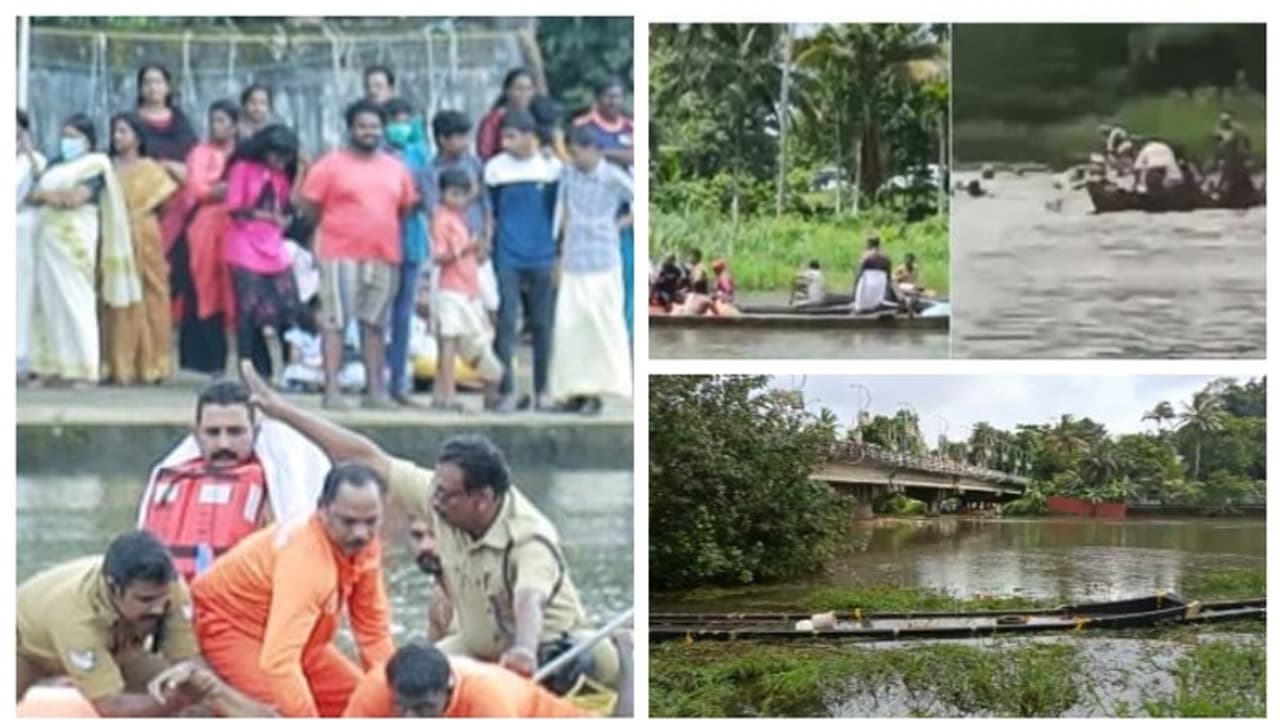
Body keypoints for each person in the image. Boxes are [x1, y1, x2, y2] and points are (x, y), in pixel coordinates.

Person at [232, 366, 624, 690]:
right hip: (477, 649)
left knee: (560, 665)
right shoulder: (444, 500)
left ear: (482, 499)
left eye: (446, 495)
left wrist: (523, 650)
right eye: (434, 490)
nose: (433, 502)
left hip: (558, 654)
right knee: (403, 680)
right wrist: (283, 410)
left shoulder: (530, 536)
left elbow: (529, 600)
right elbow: (367, 456)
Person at [190, 462, 395, 717]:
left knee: (371, 705)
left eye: (371, 522)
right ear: (322, 510)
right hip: (235, 628)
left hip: (302, 641)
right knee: (276, 713)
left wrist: (394, 696)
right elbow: (279, 662)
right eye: (349, 522)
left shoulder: (366, 547)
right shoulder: (308, 561)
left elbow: (373, 632)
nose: (361, 534)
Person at [138, 380, 328, 581]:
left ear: (254, 431)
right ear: (196, 433)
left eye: (235, 432)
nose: (224, 443)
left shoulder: (278, 486)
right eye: (213, 432)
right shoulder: (169, 479)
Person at [300, 99, 418, 409]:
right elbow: (310, 206)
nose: (370, 132)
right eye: (363, 126)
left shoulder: (397, 168)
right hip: (339, 252)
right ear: (351, 129)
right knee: (335, 321)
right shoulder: (329, 165)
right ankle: (332, 390)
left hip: (384, 253)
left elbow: (406, 208)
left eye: (375, 127)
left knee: (375, 324)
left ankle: (375, 391)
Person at [16, 531, 202, 716]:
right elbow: (112, 707)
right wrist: (176, 700)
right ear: (113, 587)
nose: (158, 609)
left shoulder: (173, 589)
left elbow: (188, 662)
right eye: (146, 600)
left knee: (196, 697)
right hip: (25, 646)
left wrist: (192, 692)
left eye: (164, 599)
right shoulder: (77, 620)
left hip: (119, 647)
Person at [27, 114, 133, 387]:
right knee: (47, 303)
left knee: (76, 301)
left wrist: (50, 198)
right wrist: (52, 197)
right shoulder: (56, 164)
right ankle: (49, 366)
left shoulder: (95, 166)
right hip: (47, 240)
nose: (68, 142)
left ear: (88, 141)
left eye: (74, 137)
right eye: (65, 136)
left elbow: (75, 198)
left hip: (74, 241)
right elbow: (33, 194)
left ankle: (85, 368)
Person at [548, 128, 633, 414]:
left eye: (581, 150)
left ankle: (596, 392)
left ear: (596, 150)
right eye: (573, 150)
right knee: (569, 327)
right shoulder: (568, 174)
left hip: (603, 260)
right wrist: (558, 252)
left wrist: (617, 224)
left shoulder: (613, 177)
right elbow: (562, 213)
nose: (577, 156)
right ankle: (571, 391)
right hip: (574, 259)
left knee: (600, 326)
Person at [484, 109, 561, 412]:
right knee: (506, 323)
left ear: (530, 137)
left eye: (512, 136)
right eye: (503, 136)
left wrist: (558, 252)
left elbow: (558, 211)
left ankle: (543, 390)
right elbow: (492, 212)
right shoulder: (495, 169)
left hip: (542, 252)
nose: (505, 143)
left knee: (543, 324)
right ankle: (507, 391)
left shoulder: (550, 169)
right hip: (507, 253)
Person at [341, 640, 635, 717]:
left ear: (449, 690)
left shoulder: (483, 697)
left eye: (424, 711)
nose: (410, 719)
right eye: (401, 708)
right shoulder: (375, 689)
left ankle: (631, 657)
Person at [224, 124, 306, 380]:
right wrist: (269, 216)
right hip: (244, 244)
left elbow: (291, 205)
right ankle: (249, 370)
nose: (281, 161)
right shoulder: (243, 169)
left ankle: (287, 368)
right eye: (277, 155)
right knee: (247, 310)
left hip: (273, 245)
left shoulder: (281, 176)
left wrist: (302, 171)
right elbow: (234, 207)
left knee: (288, 305)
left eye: (286, 157)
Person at [104, 112, 179, 385]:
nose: (118, 137)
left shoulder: (151, 169)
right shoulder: (105, 167)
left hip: (145, 235)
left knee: (153, 295)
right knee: (114, 297)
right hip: (113, 237)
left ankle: (153, 364)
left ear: (138, 136)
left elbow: (165, 204)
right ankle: (117, 364)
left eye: (123, 131)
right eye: (115, 132)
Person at [172, 99, 239, 377]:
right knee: (207, 290)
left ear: (235, 125)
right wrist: (219, 191)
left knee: (235, 291)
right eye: (213, 121)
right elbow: (196, 187)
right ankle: (215, 363)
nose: (216, 126)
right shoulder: (200, 153)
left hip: (238, 227)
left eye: (223, 121)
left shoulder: (245, 153)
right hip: (205, 227)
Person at [431, 168, 503, 411]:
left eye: (462, 195)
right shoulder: (441, 219)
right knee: (448, 341)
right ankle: (446, 394)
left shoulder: (459, 219)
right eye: (453, 194)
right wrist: (465, 248)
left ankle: (486, 393)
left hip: (468, 288)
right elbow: (438, 256)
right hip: (450, 289)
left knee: (476, 340)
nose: (458, 200)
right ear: (442, 194)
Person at [572, 78, 635, 342]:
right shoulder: (582, 125)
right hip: (589, 216)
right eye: (609, 97)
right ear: (597, 98)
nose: (614, 102)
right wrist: (617, 154)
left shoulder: (631, 126)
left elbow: (635, 157)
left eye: (619, 97)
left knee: (627, 277)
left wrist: (601, 153)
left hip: (623, 214)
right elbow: (576, 156)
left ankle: (626, 336)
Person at [383, 97, 432, 406]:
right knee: (373, 316)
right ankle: (375, 381)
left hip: (410, 242)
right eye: (394, 118)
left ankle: (398, 382)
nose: (400, 124)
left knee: (402, 315)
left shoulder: (420, 155)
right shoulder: (376, 155)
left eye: (405, 117)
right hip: (375, 243)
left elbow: (429, 197)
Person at [425, 110, 497, 320]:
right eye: (460, 137)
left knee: (489, 304)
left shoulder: (474, 164)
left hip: (480, 249)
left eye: (467, 136)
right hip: (451, 256)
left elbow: (486, 206)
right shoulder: (429, 174)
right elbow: (436, 211)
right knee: (452, 311)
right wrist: (469, 195)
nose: (466, 143)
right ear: (442, 140)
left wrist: (486, 240)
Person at [132, 64, 199, 258]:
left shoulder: (180, 119)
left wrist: (173, 168)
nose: (153, 88)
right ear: (140, 88)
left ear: (168, 87)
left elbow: (192, 153)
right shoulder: (132, 120)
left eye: (158, 82)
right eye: (147, 82)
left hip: (178, 192)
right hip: (145, 196)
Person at [16, 109, 47, 381]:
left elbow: (42, 187)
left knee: (21, 294)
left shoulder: (34, 160)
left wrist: (27, 152)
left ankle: (21, 358)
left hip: (24, 233)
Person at [476, 68, 537, 162]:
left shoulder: (535, 115)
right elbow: (485, 153)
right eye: (519, 89)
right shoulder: (493, 120)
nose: (524, 94)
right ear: (507, 91)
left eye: (528, 89)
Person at [853, 235, 894, 314]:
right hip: (880, 284)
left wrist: (855, 287)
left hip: (867, 283)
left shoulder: (866, 255)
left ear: (870, 244)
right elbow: (888, 276)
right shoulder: (885, 257)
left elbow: (859, 273)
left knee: (860, 306)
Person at [674, 248, 710, 315]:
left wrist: (688, 286)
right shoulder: (694, 268)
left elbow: (697, 281)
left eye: (690, 256)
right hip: (694, 294)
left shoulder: (700, 268)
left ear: (696, 257)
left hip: (700, 296)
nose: (689, 258)